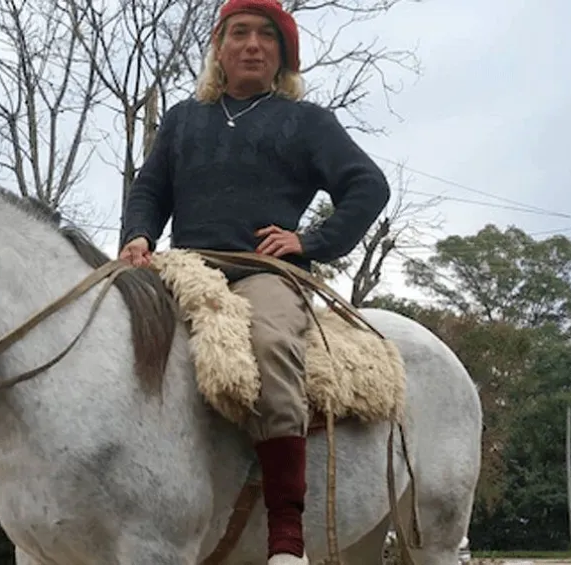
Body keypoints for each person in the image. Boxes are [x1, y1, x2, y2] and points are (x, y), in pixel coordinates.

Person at [117, 0, 391, 563]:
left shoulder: (306, 121)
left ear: (283, 55)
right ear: (219, 48)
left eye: (268, 36)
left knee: (269, 345)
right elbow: (149, 190)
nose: (252, 44)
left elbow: (368, 185)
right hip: (183, 269)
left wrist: (309, 243)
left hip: (263, 272)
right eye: (239, 33)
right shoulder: (182, 119)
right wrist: (140, 234)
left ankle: (286, 529)